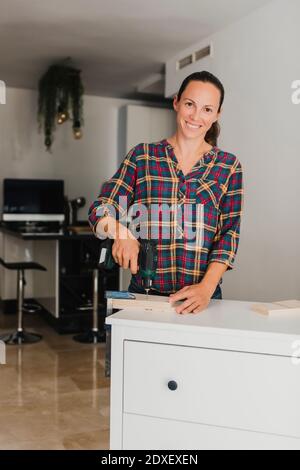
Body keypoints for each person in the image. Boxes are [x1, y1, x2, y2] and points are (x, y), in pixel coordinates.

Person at [88, 71, 243, 314]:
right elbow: (101, 208)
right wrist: (121, 231)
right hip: (145, 296)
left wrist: (206, 287)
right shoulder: (143, 156)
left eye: (207, 109)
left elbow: (229, 235)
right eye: (190, 104)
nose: (196, 116)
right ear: (177, 102)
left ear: (217, 114)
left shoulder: (228, 166)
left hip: (202, 299)